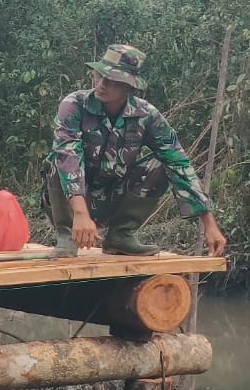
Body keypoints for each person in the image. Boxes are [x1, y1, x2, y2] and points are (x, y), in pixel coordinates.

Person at [45, 44, 226, 258]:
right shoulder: (74, 104)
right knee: (59, 160)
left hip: (113, 196)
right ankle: (67, 235)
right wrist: (80, 213)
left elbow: (179, 164)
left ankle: (121, 234)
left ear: (129, 88)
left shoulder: (147, 115)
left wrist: (209, 224)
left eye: (111, 81)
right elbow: (68, 155)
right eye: (99, 76)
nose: (101, 84)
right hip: (72, 202)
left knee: (161, 164)